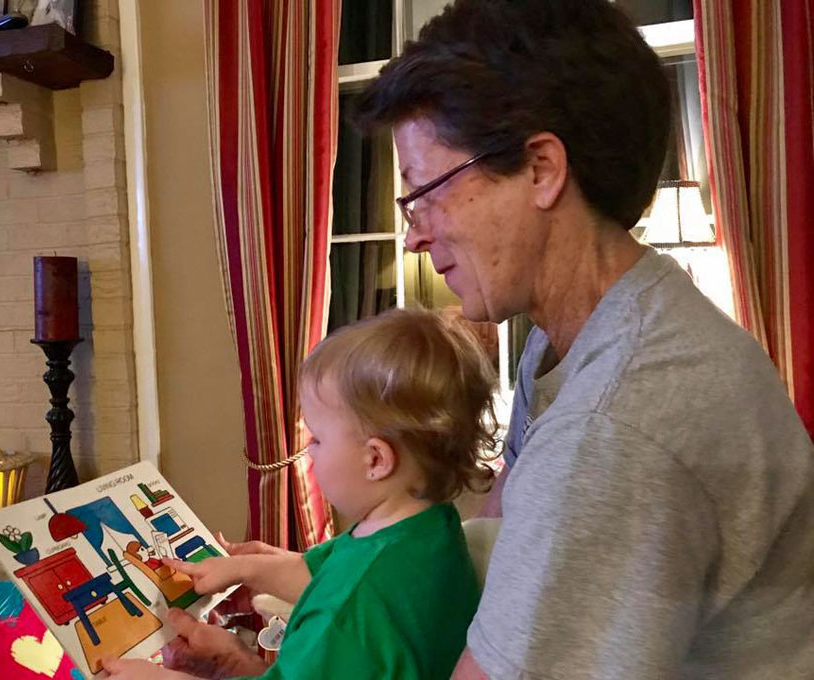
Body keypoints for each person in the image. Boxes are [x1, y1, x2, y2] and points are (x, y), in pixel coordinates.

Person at [347, 0, 814, 678]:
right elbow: (497, 548)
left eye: (427, 192)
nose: (415, 234)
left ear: (541, 169)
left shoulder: (615, 422)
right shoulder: (578, 335)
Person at [105, 309, 499, 679]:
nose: (309, 451)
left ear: (376, 459)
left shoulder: (352, 609)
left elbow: (342, 597)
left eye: (318, 438)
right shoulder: (424, 528)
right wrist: (242, 569)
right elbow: (320, 574)